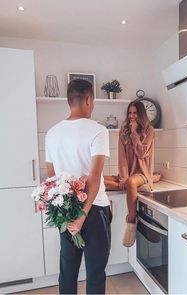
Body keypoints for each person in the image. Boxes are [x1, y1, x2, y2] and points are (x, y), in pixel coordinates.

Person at [45, 79, 112, 295]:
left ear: (69, 101)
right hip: (94, 210)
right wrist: (82, 215)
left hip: (65, 211)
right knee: (95, 273)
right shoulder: (98, 130)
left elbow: (52, 177)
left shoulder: (52, 133)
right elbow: (94, 175)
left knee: (67, 271)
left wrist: (67, 214)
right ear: (89, 99)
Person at [105, 101, 159, 247]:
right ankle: (133, 188)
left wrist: (135, 133)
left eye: (135, 113)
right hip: (129, 175)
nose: (132, 116)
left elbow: (142, 153)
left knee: (130, 183)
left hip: (141, 174)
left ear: (141, 114)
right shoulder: (123, 131)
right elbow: (122, 157)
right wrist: (123, 178)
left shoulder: (149, 130)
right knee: (100, 180)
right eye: (130, 113)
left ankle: (131, 221)